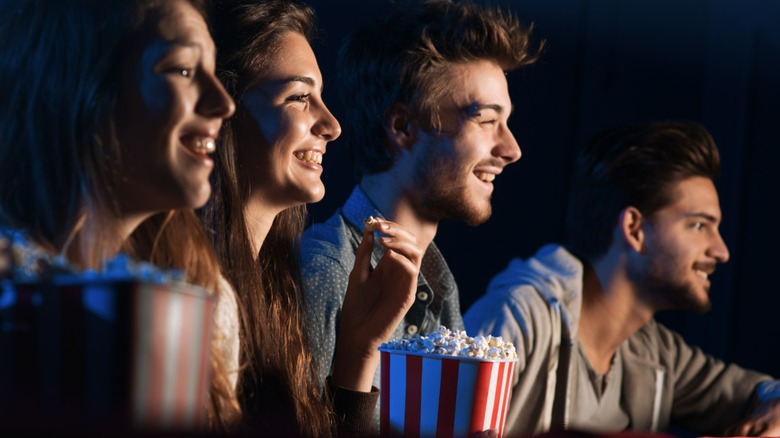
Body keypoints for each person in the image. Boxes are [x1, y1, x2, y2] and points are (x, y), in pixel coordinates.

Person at [0, 0, 240, 431]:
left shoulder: (207, 295)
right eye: (183, 70)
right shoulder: (10, 292)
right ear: (81, 85)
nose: (224, 103)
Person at [299, 0, 542, 423]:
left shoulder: (440, 286)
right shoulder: (325, 273)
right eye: (486, 120)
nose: (511, 149)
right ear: (402, 128)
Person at [464, 121, 780, 436]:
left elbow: (761, 392)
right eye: (699, 226)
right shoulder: (515, 318)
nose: (721, 251)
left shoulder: (655, 351)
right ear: (634, 229)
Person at [203, 1, 423, 436]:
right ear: (218, 109)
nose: (332, 124)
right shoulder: (195, 291)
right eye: (300, 97)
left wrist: (359, 349)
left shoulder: (275, 285)